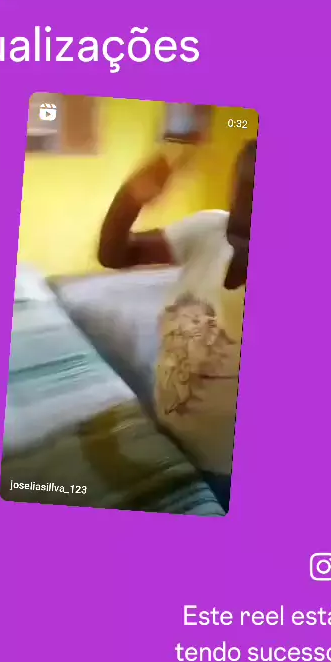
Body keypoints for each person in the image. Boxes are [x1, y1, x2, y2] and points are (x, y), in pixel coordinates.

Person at [98, 140, 257, 512]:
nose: (244, 204)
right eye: (243, 186)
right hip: (164, 433)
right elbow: (115, 254)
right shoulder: (210, 229)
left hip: (224, 470)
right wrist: (129, 199)